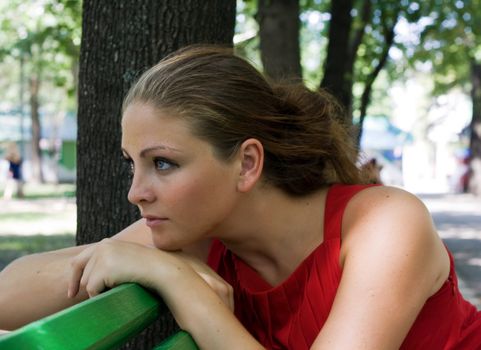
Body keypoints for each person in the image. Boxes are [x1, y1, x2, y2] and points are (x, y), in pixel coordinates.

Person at [1, 45, 480, 349]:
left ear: (248, 163)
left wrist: (177, 281)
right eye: (133, 163)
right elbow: (8, 296)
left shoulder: (385, 224)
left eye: (163, 163)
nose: (136, 192)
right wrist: (136, 258)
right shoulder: (198, 229)